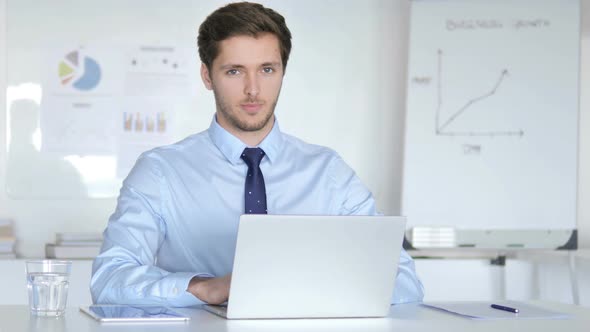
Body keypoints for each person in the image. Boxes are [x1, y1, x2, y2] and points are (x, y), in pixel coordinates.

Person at [91, 1, 424, 307]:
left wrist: (306, 289)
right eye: (234, 71)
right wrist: (205, 289)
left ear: (282, 72)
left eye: (267, 69)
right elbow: (109, 279)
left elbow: (405, 281)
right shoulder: (159, 172)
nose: (253, 89)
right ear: (208, 76)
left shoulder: (329, 173)